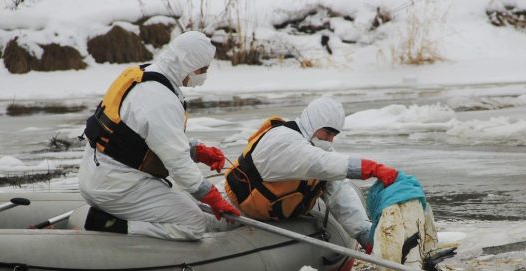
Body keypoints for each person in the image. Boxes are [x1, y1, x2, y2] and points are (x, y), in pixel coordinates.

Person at [78, 31, 239, 241]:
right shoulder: (160, 98)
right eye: (202, 69)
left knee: (182, 201)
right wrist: (211, 196)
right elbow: (177, 163)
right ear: (186, 63)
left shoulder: (146, 74)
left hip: (100, 175)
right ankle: (113, 225)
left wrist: (196, 151)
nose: (204, 76)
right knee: (194, 223)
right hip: (116, 186)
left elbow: (142, 138)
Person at [223, 97, 397, 253]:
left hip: (271, 217)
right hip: (231, 210)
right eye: (327, 133)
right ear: (313, 124)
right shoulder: (283, 140)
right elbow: (318, 162)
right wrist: (370, 168)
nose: (330, 140)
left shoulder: (318, 147)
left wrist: (364, 233)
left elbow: (339, 193)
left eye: (334, 135)